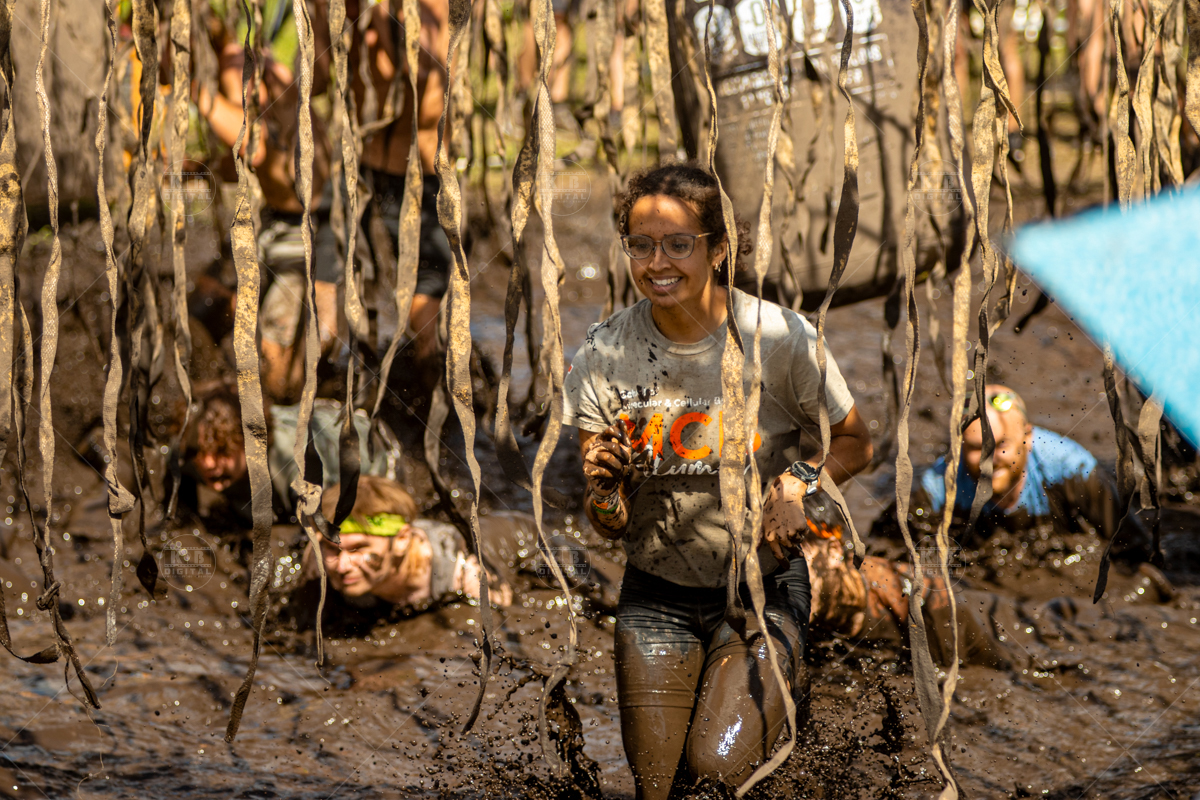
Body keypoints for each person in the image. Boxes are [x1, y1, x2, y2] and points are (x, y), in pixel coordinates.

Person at [562, 163, 873, 797]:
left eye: (679, 244)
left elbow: (856, 443)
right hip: (655, 598)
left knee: (714, 770)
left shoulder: (780, 339)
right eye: (641, 245)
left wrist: (797, 483)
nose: (658, 263)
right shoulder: (603, 352)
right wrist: (603, 493)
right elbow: (607, 521)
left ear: (719, 248)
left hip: (759, 592)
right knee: (659, 789)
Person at [192, 18, 339, 404]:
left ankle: (285, 405)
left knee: (293, 358)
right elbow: (246, 159)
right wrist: (202, 165)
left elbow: (253, 148)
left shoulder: (279, 91)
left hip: (312, 229)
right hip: (275, 223)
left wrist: (195, 91)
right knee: (208, 298)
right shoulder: (266, 82)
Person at [871, 384, 1148, 558]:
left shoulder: (1071, 469)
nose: (989, 463)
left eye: (1001, 445)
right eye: (977, 448)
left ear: (1027, 437)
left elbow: (1133, 547)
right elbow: (885, 546)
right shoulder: (939, 486)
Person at [305, 476, 514, 617]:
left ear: (402, 540)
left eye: (357, 549)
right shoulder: (316, 558)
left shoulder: (464, 574)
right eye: (333, 548)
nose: (342, 566)